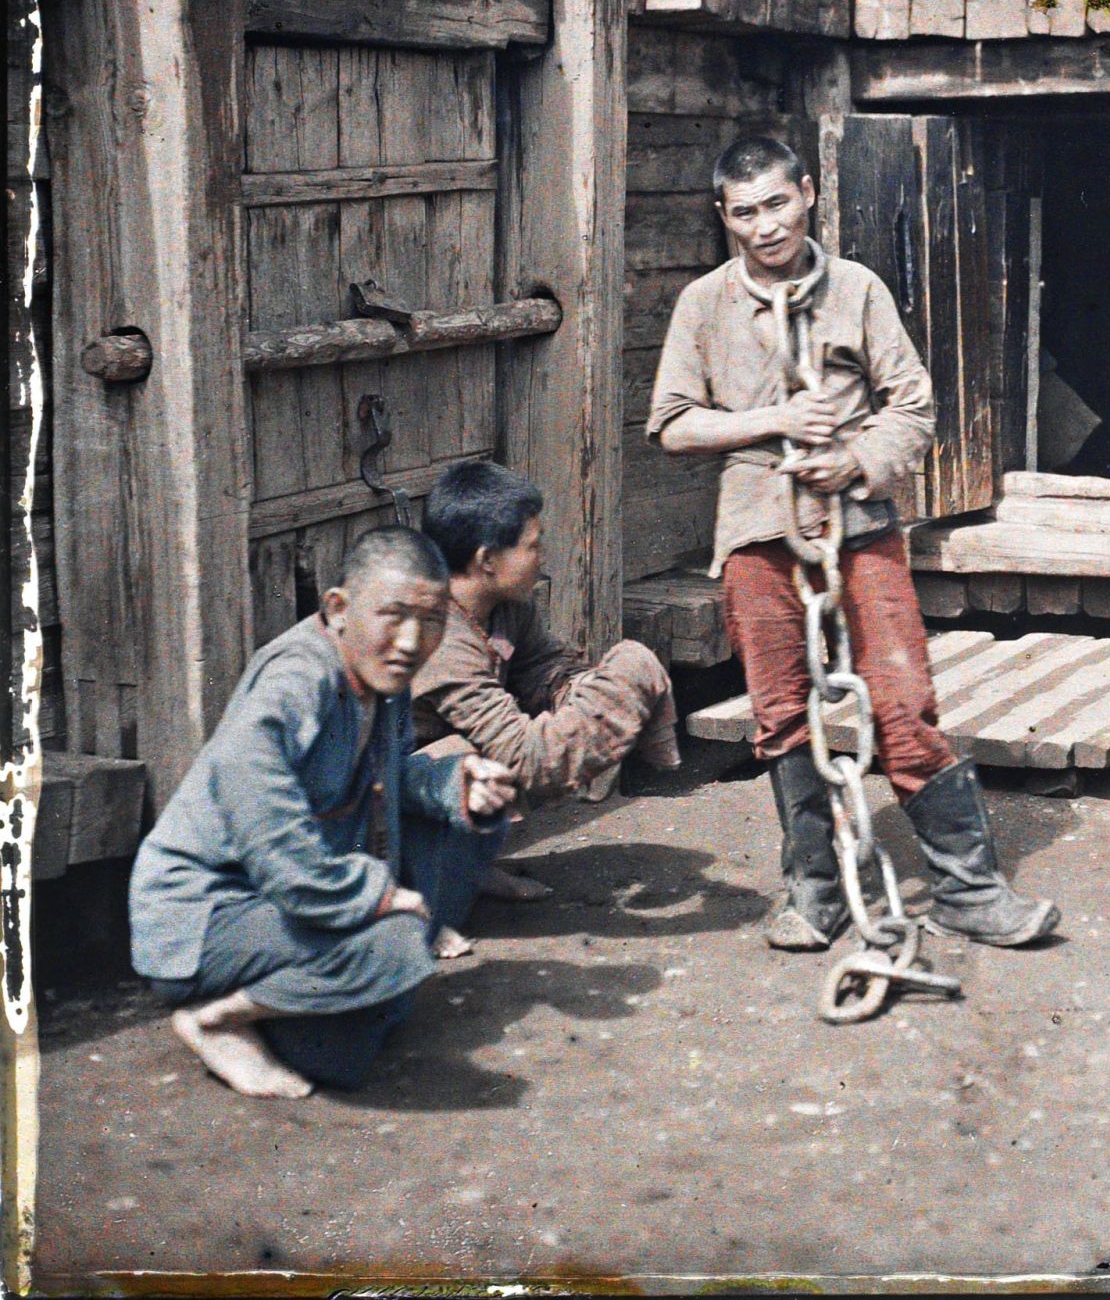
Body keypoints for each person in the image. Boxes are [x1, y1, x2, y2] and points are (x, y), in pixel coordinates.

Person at [647, 135, 1059, 951]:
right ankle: (816, 890)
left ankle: (969, 891)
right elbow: (673, 424)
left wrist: (856, 461)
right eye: (744, 213)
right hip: (756, 529)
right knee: (780, 711)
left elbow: (913, 407)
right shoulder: (703, 304)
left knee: (902, 701)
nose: (764, 226)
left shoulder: (858, 289)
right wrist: (773, 421)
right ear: (723, 217)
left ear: (806, 194)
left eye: (776, 203)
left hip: (859, 528)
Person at [127, 527, 519, 1098]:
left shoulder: (382, 679)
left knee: (345, 1054)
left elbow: (377, 781)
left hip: (280, 905)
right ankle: (215, 1018)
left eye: (432, 620)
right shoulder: (294, 679)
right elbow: (267, 829)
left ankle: (299, 1004)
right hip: (203, 915)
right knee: (398, 944)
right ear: (338, 607)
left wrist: (455, 785)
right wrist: (372, 900)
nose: (411, 640)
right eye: (393, 614)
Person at [408, 459, 682, 931]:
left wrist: (582, 691)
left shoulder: (504, 606)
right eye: (533, 546)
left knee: (502, 743)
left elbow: (545, 670)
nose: (543, 557)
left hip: (431, 791)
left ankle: (466, 870)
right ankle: (420, 901)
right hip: (378, 807)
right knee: (478, 758)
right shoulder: (439, 636)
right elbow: (527, 760)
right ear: (485, 560)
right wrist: (624, 684)